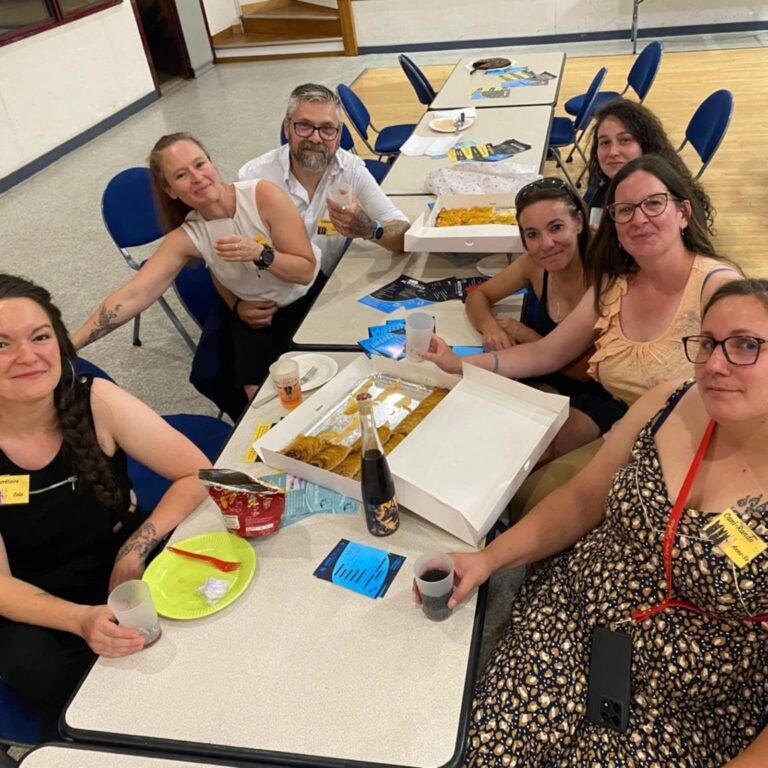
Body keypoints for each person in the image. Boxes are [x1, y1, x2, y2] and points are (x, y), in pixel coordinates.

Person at [433, 278, 768, 767]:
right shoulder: (672, 402)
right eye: (708, 343)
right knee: (486, 752)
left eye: (746, 345)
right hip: (575, 616)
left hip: (687, 701)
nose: (715, 364)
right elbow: (583, 498)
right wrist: (488, 559)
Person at [0, 274, 210, 739]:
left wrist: (134, 550)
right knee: (50, 680)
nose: (28, 356)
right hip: (38, 600)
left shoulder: (93, 399)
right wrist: (80, 619)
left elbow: (196, 473)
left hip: (122, 561)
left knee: (209, 624)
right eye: (2, 345)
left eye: (40, 337)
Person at [426, 155, 741, 412]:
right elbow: (544, 354)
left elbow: (748, 395)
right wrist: (456, 362)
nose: (639, 219)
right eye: (625, 210)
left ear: (683, 213)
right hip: (631, 434)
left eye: (654, 203)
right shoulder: (616, 283)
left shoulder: (717, 288)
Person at [72, 132, 319, 399]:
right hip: (258, 314)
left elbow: (305, 271)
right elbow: (135, 294)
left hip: (306, 298)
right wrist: (71, 344)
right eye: (181, 175)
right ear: (170, 191)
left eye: (200, 164)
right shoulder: (188, 235)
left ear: (211, 163)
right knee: (223, 380)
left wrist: (260, 253)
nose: (197, 178)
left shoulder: (262, 195)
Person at [465, 177, 626, 459]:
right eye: (532, 234)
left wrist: (524, 334)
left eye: (556, 227)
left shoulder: (605, 274)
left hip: (596, 392)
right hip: (540, 373)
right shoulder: (534, 264)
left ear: (578, 222)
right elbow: (479, 297)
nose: (546, 244)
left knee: (533, 452)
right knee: (481, 431)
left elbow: (586, 371)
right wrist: (491, 327)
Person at [238, 83, 410, 277]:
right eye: (304, 126)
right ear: (287, 128)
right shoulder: (253, 178)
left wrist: (370, 228)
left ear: (339, 134)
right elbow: (230, 256)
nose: (315, 138)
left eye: (327, 128)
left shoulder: (350, 169)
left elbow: (405, 235)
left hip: (327, 284)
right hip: (275, 287)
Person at [584, 100, 714, 232]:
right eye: (605, 142)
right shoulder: (605, 187)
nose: (613, 152)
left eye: (625, 140)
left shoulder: (670, 201)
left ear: (646, 145)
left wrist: (605, 241)